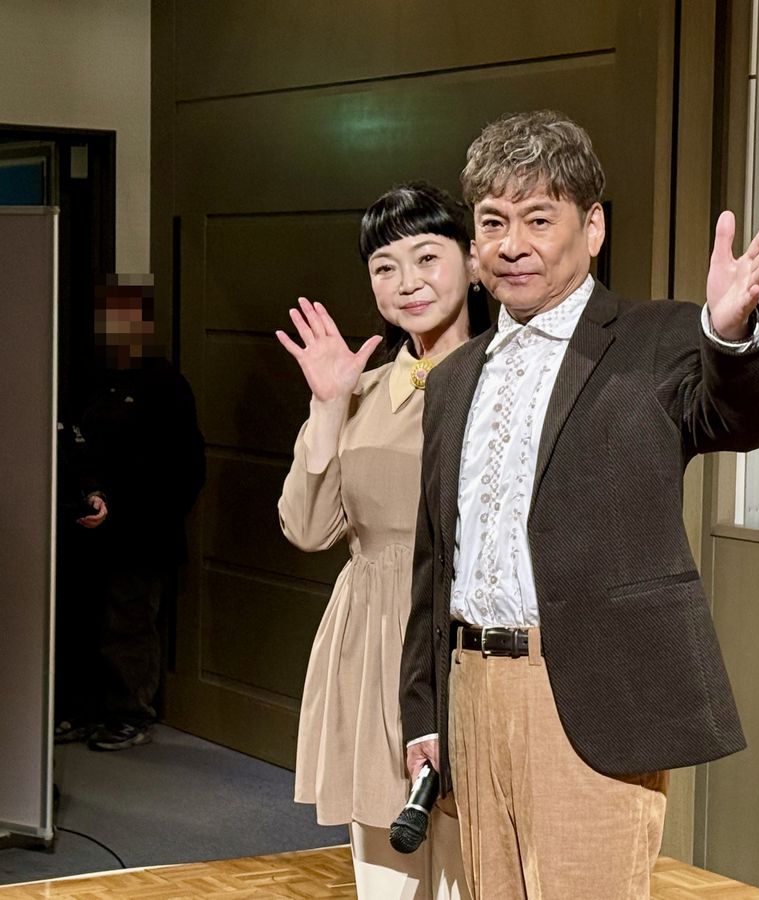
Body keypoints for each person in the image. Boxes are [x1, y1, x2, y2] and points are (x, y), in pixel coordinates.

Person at [400, 110, 759, 899]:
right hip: (471, 695)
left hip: (588, 700)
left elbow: (741, 420)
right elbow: (434, 562)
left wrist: (728, 334)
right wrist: (425, 715)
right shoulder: (454, 379)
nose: (512, 244)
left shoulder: (658, 340)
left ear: (593, 226)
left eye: (539, 219)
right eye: (493, 222)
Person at [277, 183, 484, 900]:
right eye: (385, 267)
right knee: (386, 879)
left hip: (460, 638)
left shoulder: (500, 382)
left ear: (474, 262)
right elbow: (309, 528)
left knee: (468, 870)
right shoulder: (360, 389)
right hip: (369, 641)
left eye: (427, 257)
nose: (407, 282)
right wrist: (328, 406)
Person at [57, 278, 205, 751]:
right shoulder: (94, 379)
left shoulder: (165, 386)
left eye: (125, 318)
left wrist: (123, 508)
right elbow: (77, 445)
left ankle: (130, 714)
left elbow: (184, 470)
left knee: (128, 622)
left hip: (143, 533)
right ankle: (84, 710)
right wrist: (90, 493)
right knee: (84, 621)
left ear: (143, 323)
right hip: (87, 525)